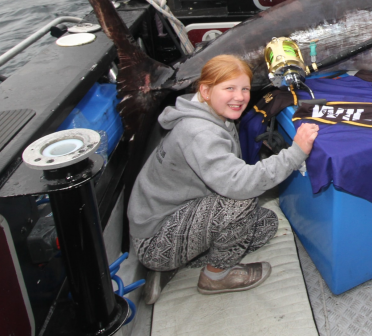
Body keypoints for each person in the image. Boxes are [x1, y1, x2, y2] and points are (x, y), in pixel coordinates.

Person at [127, 55, 319, 303]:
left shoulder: (210, 113)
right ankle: (215, 277)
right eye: (229, 88)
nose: (239, 97)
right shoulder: (199, 132)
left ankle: (173, 266)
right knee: (242, 201)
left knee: (265, 225)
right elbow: (238, 184)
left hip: (177, 217)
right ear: (205, 90)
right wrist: (296, 153)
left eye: (245, 89)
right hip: (155, 240)